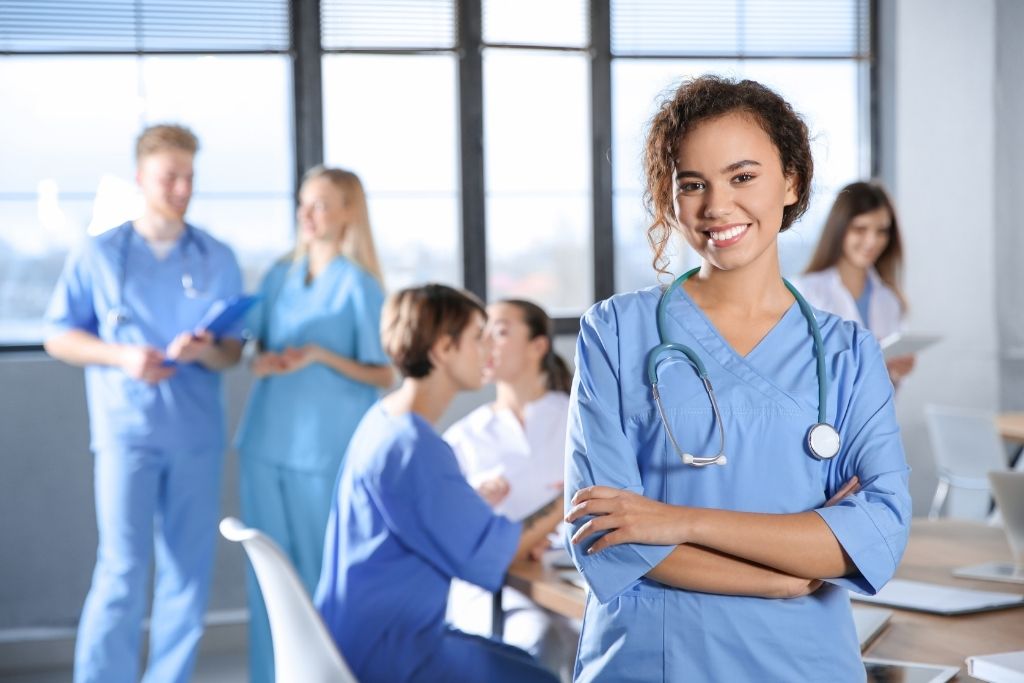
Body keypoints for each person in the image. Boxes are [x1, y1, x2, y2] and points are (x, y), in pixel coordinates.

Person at [563, 76, 912, 681]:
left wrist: (681, 519)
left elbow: (877, 531)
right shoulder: (615, 333)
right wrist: (782, 575)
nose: (716, 206)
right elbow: (608, 534)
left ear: (792, 181)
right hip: (656, 659)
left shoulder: (849, 353)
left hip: (802, 662)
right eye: (692, 184)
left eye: (742, 176)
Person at [43, 123, 244, 683]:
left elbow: (232, 352)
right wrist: (122, 357)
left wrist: (206, 352)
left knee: (188, 574)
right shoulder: (101, 252)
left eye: (190, 177)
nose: (182, 188)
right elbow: (59, 335)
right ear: (140, 177)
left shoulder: (216, 256)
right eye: (169, 177)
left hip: (196, 434)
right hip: (126, 432)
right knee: (121, 570)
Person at [314, 284, 563, 683]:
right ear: (443, 350)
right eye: (478, 337)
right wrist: (569, 500)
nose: (488, 350)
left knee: (529, 664)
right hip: (391, 650)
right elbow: (486, 558)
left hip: (362, 635)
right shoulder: (414, 447)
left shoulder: (386, 421)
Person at [234, 166, 393, 683]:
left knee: (320, 582)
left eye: (321, 204)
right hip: (263, 443)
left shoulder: (359, 284)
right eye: (304, 202)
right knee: (268, 581)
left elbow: (383, 372)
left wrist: (321, 356)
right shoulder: (279, 275)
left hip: (324, 452)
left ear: (349, 211)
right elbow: (249, 342)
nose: (307, 214)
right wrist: (260, 359)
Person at [443, 299, 578, 681]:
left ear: (539, 346)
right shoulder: (463, 438)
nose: (487, 342)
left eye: (500, 331)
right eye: (482, 333)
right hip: (491, 590)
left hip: (567, 581)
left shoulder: (578, 419)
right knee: (535, 639)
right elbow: (453, 534)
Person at [795, 181, 914, 386]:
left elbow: (886, 390)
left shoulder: (889, 299)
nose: (872, 241)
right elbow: (797, 371)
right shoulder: (807, 292)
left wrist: (896, 371)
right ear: (840, 229)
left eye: (881, 231)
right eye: (860, 229)